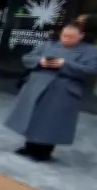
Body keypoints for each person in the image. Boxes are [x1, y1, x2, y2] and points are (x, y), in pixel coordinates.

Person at [5, 20, 97, 162]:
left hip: (63, 89)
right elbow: (27, 58)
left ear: (81, 36)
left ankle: (44, 151)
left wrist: (64, 64)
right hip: (38, 85)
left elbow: (90, 70)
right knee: (33, 116)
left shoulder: (90, 51)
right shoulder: (48, 45)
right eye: (64, 35)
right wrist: (40, 61)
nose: (66, 39)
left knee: (52, 121)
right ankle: (29, 146)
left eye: (71, 37)